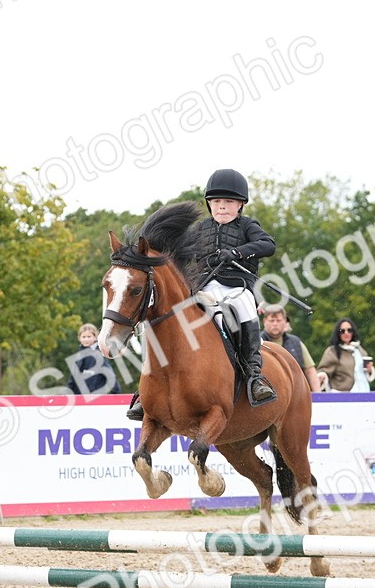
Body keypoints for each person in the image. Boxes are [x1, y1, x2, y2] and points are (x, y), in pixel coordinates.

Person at [126, 168, 277, 421]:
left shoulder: (248, 226)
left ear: (240, 205)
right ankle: (146, 389)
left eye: (228, 202)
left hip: (236, 287)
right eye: (216, 202)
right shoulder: (200, 229)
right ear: (209, 204)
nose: (222, 207)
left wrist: (236, 253)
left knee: (244, 307)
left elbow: (268, 245)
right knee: (164, 323)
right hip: (203, 288)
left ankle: (254, 376)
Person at [258, 304, 321, 392]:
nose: (275, 324)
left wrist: (318, 395)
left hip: (296, 395)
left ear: (285, 321)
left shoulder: (296, 342)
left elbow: (310, 370)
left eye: (278, 320)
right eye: (272, 320)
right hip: (266, 396)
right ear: (264, 321)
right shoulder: (257, 344)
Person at [316, 318, 375, 392]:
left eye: (349, 330)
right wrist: (321, 376)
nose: (346, 333)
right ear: (338, 333)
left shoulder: (360, 350)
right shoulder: (332, 351)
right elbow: (322, 370)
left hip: (363, 392)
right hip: (342, 395)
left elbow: (366, 371)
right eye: (342, 331)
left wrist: (369, 370)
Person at [67, 323, 120, 396]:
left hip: (96, 397)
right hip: (79, 398)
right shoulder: (79, 356)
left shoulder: (99, 355)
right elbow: (73, 378)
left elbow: (110, 376)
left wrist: (116, 394)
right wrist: (68, 394)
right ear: (79, 338)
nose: (86, 339)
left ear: (95, 337)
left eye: (89, 336)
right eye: (84, 337)